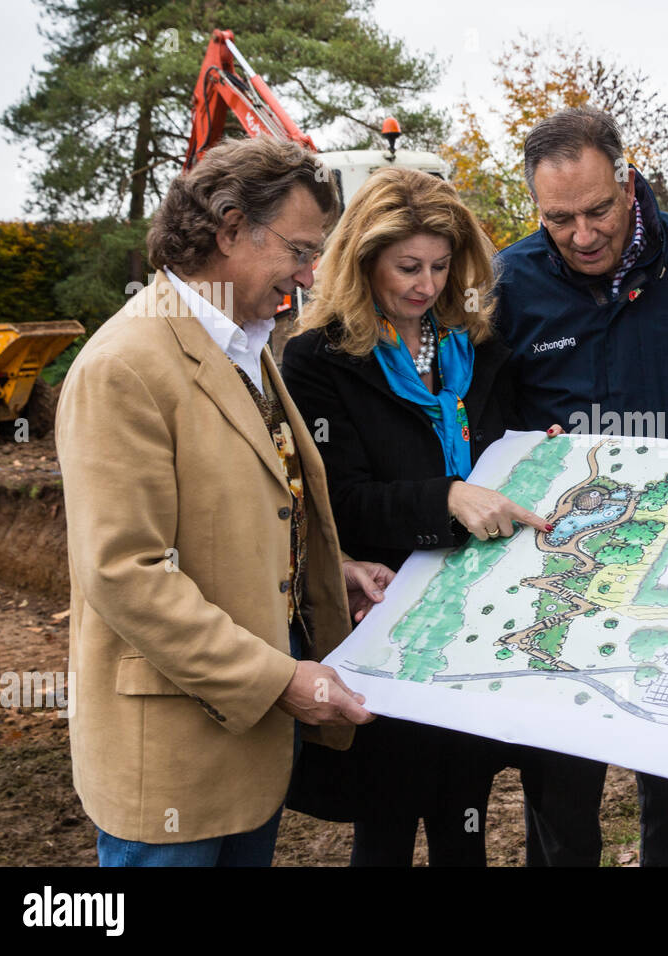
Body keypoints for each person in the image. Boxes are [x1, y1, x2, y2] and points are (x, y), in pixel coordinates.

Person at [54, 137, 393, 867]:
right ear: (231, 228)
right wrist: (280, 678)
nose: (309, 275)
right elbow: (126, 573)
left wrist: (328, 573)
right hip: (173, 757)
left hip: (246, 751)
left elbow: (251, 510)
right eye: (301, 250)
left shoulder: (246, 343)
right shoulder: (124, 366)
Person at [495, 106, 668, 867]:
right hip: (562, 562)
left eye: (598, 209)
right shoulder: (513, 281)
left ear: (628, 180)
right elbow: (495, 417)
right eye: (559, 218)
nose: (582, 234)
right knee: (559, 784)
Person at [280, 167, 548, 866]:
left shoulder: (480, 346)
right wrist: (445, 498)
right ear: (362, 259)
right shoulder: (317, 360)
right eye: (406, 267)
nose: (425, 285)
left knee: (466, 811)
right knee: (387, 818)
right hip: (386, 616)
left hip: (482, 615)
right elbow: (336, 500)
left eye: (439, 265)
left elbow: (509, 449)